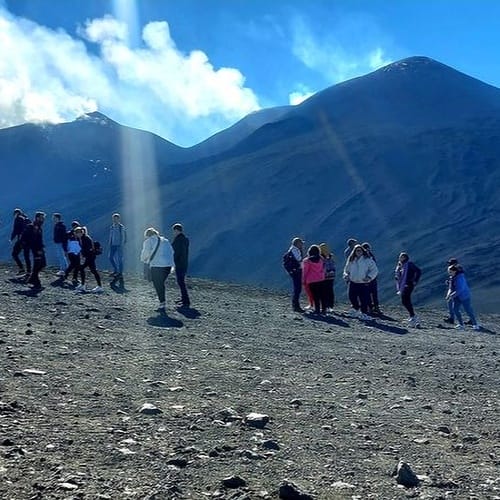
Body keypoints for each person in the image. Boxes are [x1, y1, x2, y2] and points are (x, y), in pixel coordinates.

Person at [141, 227, 174, 313]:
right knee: (161, 283)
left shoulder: (148, 241)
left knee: (158, 284)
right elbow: (171, 252)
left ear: (147, 235)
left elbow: (145, 253)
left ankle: (162, 303)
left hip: (156, 266)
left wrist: (144, 260)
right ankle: (162, 302)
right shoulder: (165, 241)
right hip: (167, 266)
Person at [343, 244, 378, 320]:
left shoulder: (368, 260)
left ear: (363, 251)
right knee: (352, 297)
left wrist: (369, 277)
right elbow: (346, 269)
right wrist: (346, 275)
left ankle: (364, 313)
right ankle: (356, 309)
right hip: (353, 282)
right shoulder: (351, 260)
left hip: (363, 283)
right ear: (354, 252)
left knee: (364, 299)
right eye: (357, 250)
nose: (358, 252)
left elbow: (374, 270)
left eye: (360, 250)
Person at [446, 265, 480, 330]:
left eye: (450, 272)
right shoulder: (452, 278)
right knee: (455, 309)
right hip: (456, 297)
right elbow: (450, 288)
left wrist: (451, 295)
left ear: (454, 271)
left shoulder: (460, 278)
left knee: (468, 310)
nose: (449, 273)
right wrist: (448, 295)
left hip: (464, 296)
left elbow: (460, 289)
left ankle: (475, 324)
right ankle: (461, 324)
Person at [395, 252, 422, 327]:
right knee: (406, 300)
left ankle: (413, 316)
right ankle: (412, 316)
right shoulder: (400, 266)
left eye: (402, 257)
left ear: (405, 258)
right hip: (403, 286)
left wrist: (415, 280)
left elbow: (418, 271)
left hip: (408, 284)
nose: (400, 258)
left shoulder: (409, 264)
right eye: (400, 256)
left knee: (405, 300)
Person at [74, 226, 103, 293]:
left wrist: (84, 256)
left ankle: (97, 286)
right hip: (88, 257)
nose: (76, 234)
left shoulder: (86, 239)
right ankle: (84, 285)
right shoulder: (80, 238)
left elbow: (89, 249)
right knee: (91, 270)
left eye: (77, 233)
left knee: (91, 270)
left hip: (90, 257)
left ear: (81, 233)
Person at [23, 212, 46, 290]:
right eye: (41, 218)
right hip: (36, 249)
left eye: (43, 218)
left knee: (42, 264)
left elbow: (39, 239)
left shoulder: (39, 227)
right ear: (37, 218)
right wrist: (37, 249)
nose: (43, 219)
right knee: (38, 265)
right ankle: (36, 283)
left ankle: (32, 279)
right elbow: (33, 240)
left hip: (39, 248)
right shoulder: (33, 227)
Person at [302, 245, 327, 315]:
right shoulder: (321, 259)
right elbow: (323, 268)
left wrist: (303, 280)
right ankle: (324, 309)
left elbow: (305, 271)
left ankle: (317, 309)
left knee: (315, 296)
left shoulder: (306, 260)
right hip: (321, 279)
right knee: (322, 295)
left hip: (311, 280)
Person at [171, 223, 191, 307]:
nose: (173, 233)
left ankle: (185, 300)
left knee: (181, 282)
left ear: (177, 230)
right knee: (181, 281)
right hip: (183, 263)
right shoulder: (184, 239)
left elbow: (177, 253)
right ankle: (184, 298)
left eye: (174, 231)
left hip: (179, 264)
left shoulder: (179, 240)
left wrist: (172, 261)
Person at [284, 237, 305, 313]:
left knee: (297, 288)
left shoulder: (292, 250)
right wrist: (302, 251)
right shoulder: (295, 251)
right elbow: (299, 259)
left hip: (294, 271)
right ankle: (296, 305)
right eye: (301, 243)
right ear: (297, 244)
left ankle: (295, 305)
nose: (302, 245)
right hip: (296, 271)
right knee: (297, 288)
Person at [10, 208, 31, 276]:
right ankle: (28, 271)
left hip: (21, 239)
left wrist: (11, 238)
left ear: (16, 214)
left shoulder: (18, 219)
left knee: (14, 254)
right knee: (26, 256)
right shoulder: (27, 218)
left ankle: (21, 269)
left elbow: (15, 230)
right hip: (28, 240)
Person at [362, 242, 381, 314]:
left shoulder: (370, 256)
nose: (368, 250)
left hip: (372, 277)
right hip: (367, 278)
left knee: (373, 292)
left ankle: (375, 307)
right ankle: (371, 307)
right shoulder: (363, 258)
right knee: (368, 293)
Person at [443, 257, 461, 324]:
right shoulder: (458, 270)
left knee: (451, 303)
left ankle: (452, 318)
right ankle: (452, 318)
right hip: (456, 290)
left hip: (456, 291)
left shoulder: (456, 271)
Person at [108, 213, 126, 277]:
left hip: (119, 245)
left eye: (116, 219)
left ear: (118, 219)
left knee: (119, 259)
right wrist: (110, 243)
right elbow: (111, 236)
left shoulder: (121, 227)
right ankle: (116, 270)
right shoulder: (112, 227)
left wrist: (121, 244)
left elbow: (123, 236)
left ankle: (120, 272)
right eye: (114, 219)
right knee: (110, 257)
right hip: (112, 245)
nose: (115, 220)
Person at [319, 243, 336, 311]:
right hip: (329, 276)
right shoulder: (330, 257)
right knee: (329, 291)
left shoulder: (321, 258)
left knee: (326, 291)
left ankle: (328, 306)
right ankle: (328, 306)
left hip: (325, 277)